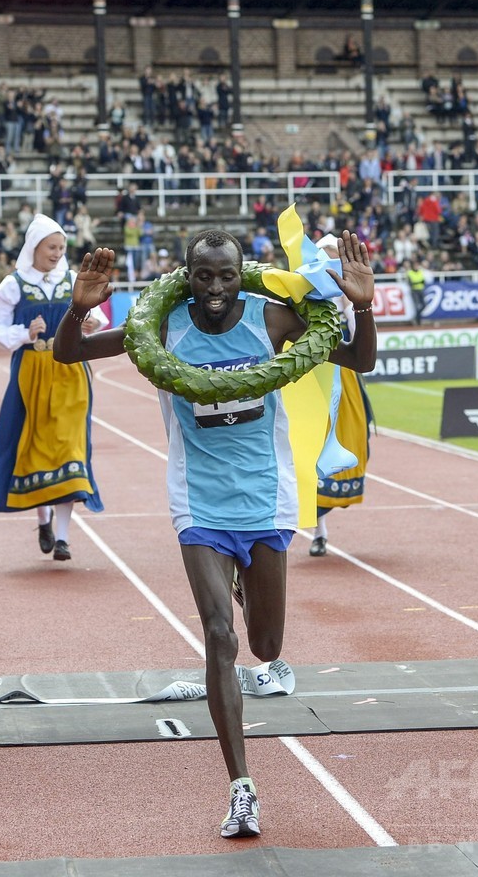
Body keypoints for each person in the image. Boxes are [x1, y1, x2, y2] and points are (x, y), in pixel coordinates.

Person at [53, 227, 375, 838]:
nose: (218, 287)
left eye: (227, 275)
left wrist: (360, 304)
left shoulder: (272, 319)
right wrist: (77, 309)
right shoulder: (165, 325)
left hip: (265, 498)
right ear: (186, 277)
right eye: (205, 276)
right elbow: (69, 354)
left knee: (266, 647)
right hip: (197, 501)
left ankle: (248, 588)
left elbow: (361, 360)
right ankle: (242, 787)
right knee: (219, 637)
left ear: (240, 274)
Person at [0, 214, 107, 563]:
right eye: (51, 246)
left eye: (61, 247)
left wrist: (93, 322)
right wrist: (24, 334)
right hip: (32, 373)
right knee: (34, 446)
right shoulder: (14, 284)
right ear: (34, 247)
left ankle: (64, 538)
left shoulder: (72, 280)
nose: (57, 252)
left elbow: (100, 316)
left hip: (71, 370)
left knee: (70, 447)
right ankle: (44, 519)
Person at [305, 234, 374, 557]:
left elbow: (362, 344)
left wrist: (355, 307)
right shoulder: (307, 292)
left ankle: (320, 522)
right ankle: (317, 529)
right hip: (313, 376)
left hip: (343, 376)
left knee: (354, 438)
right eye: (328, 256)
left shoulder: (349, 295)